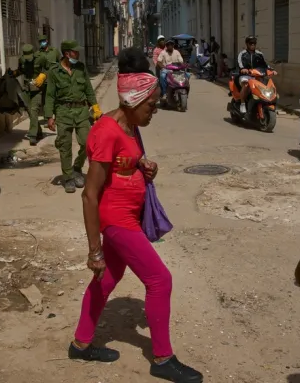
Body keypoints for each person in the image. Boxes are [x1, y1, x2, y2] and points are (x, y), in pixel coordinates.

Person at [70, 47, 203, 383]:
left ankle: (80, 344)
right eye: (151, 105)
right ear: (132, 102)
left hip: (128, 216)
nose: (154, 111)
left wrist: (142, 166)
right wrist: (94, 249)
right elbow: (89, 194)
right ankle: (162, 358)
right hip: (117, 221)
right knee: (160, 280)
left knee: (108, 280)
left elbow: (124, 162)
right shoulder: (106, 130)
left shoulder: (129, 128)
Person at [44, 40, 102, 193]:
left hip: (82, 111)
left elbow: (88, 89)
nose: (78, 54)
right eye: (75, 52)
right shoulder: (54, 71)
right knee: (65, 146)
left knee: (87, 143)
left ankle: (77, 167)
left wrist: (95, 107)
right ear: (66, 53)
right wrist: (49, 116)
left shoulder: (81, 67)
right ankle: (68, 177)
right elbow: (49, 95)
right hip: (63, 112)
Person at [18, 44, 46, 146]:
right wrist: (13, 73)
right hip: (27, 89)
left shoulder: (41, 58)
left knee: (34, 109)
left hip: (38, 89)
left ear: (33, 54)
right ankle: (38, 131)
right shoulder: (21, 60)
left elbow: (49, 69)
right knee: (30, 111)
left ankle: (32, 135)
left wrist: (43, 76)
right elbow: (21, 70)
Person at [236, 36, 271, 113]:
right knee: (246, 85)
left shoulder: (259, 54)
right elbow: (239, 63)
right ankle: (242, 103)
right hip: (245, 75)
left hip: (257, 75)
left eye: (254, 43)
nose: (252, 45)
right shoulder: (242, 54)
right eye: (250, 43)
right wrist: (242, 69)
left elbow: (265, 64)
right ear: (247, 44)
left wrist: (271, 70)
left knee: (265, 86)